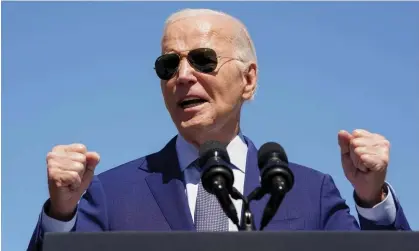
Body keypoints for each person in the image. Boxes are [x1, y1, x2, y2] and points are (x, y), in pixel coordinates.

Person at [27, 8, 410, 251]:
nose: (182, 76)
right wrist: (61, 215)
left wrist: (373, 199)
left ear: (248, 80)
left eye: (202, 59)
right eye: (168, 65)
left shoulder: (310, 192)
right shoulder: (109, 195)